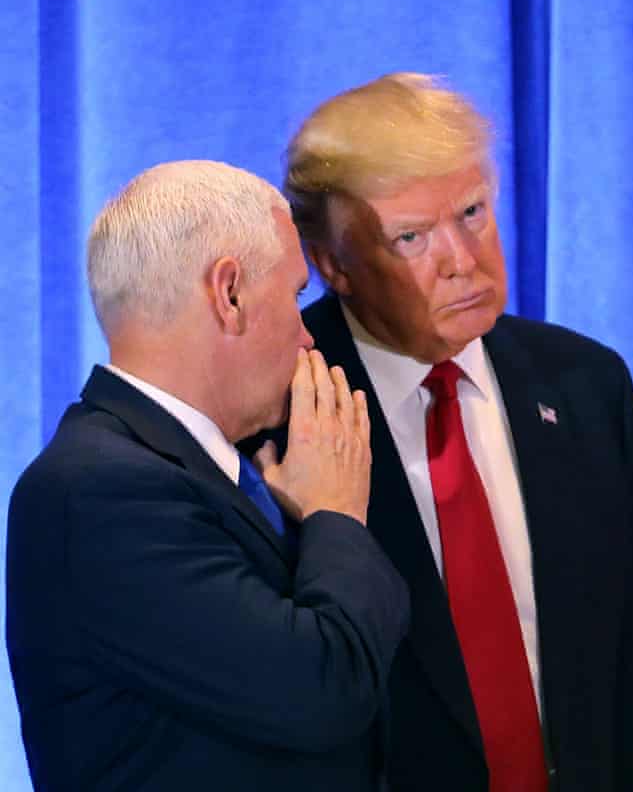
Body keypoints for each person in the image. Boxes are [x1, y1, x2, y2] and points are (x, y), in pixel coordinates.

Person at [282, 73, 633, 791]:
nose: (463, 260)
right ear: (331, 266)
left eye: (471, 211)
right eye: (411, 237)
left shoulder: (585, 383)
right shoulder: (281, 409)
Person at [6, 160, 410, 791]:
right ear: (229, 293)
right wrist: (337, 514)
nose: (308, 337)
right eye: (297, 294)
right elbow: (321, 690)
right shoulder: (99, 491)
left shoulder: (199, 468)